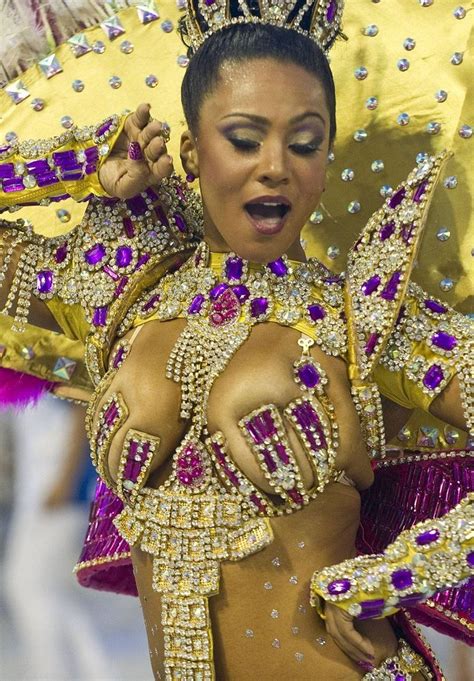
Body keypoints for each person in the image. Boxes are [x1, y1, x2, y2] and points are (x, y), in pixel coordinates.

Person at [0, 1, 472, 679]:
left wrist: (402, 572)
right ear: (192, 151)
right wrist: (79, 165)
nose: (276, 165)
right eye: (245, 139)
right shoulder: (122, 295)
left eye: (304, 142)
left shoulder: (362, 319)